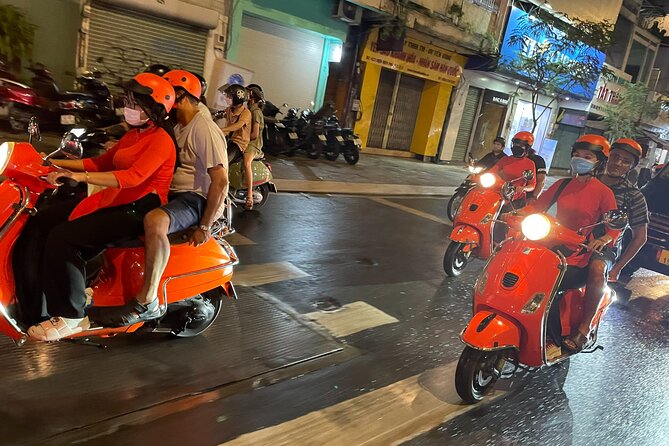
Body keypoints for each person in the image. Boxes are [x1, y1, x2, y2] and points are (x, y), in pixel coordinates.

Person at [19, 73, 178, 341]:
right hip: (116, 199)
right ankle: (35, 304)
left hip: (138, 208)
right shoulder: (134, 135)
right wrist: (52, 163)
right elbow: (101, 163)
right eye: (128, 101)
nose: (128, 108)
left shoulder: (161, 140)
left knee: (65, 238)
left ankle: (71, 316)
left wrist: (79, 177)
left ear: (154, 109)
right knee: (39, 222)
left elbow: (133, 177)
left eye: (135, 103)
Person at [90, 70, 229, 326]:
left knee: (155, 221)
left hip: (194, 198)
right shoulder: (178, 125)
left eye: (168, 93)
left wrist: (205, 225)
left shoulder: (204, 128)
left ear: (182, 96)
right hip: (172, 193)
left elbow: (220, 181)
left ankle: (147, 300)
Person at [525, 134, 619, 355]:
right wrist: (515, 213)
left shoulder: (604, 192)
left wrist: (604, 238)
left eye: (587, 156)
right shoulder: (562, 184)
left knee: (595, 272)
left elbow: (614, 225)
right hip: (556, 241)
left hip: (584, 249)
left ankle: (583, 328)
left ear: (599, 162)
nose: (580, 159)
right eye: (577, 155)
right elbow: (537, 206)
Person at [488, 131, 537, 202]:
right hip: (499, 193)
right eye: (516, 144)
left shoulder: (529, 163)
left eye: (521, 146)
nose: (517, 147)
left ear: (527, 148)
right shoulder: (505, 159)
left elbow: (532, 185)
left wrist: (523, 188)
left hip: (515, 198)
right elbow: (492, 172)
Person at [243, 85, 265, 210]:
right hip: (247, 141)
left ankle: (250, 195)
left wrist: (244, 138)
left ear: (252, 97)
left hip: (254, 144)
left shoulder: (256, 112)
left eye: (247, 94)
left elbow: (254, 134)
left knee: (246, 163)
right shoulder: (249, 110)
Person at [219, 84, 251, 165]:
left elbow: (239, 125)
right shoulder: (230, 109)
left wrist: (223, 129)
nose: (227, 98)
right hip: (228, 139)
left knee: (223, 162)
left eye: (230, 97)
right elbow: (220, 114)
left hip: (238, 144)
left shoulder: (246, 113)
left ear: (237, 99)